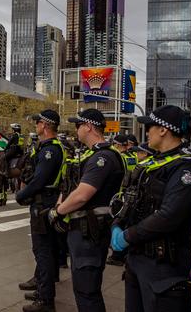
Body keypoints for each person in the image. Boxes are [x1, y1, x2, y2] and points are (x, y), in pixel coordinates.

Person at [111, 105, 191, 311]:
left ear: (164, 130)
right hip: (137, 258)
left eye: (151, 127)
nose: (147, 132)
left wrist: (127, 236)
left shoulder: (187, 166)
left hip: (164, 265)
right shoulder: (154, 163)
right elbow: (130, 199)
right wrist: (117, 224)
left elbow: (169, 215)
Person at [49, 108, 125, 311]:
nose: (76, 130)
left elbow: (83, 194)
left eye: (78, 125)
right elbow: (71, 186)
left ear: (89, 126)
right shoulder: (92, 154)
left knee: (87, 292)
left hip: (90, 234)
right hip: (81, 231)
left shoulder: (104, 157)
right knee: (83, 289)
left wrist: (58, 211)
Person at [15, 110, 65, 312]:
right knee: (47, 250)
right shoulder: (51, 148)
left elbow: (39, 180)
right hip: (47, 202)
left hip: (43, 204)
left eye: (38, 122)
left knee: (42, 251)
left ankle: (45, 300)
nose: (35, 125)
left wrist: (21, 195)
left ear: (45, 125)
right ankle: (43, 290)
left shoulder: (49, 150)